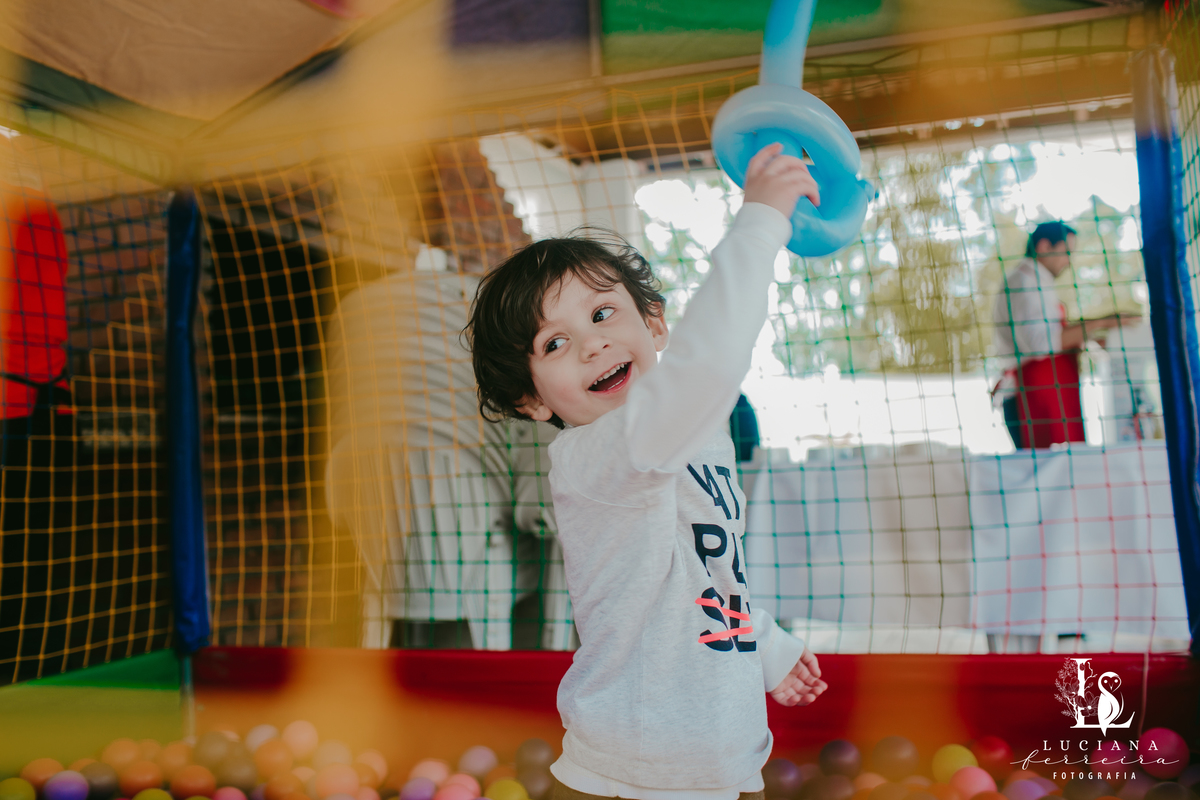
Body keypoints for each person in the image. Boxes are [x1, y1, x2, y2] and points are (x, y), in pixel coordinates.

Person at [467, 143, 826, 800]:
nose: (592, 343)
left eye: (603, 314)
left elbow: (699, 568)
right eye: (555, 343)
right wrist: (760, 222)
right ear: (532, 398)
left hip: (725, 759)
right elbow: (708, 365)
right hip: (633, 775)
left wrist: (766, 642)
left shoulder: (702, 438)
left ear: (653, 323)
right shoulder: (596, 458)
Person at [324, 262, 567, 651]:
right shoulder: (526, 407)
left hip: (382, 557)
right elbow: (538, 513)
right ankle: (552, 662)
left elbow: (335, 509)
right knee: (552, 523)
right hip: (484, 557)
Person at [992, 222, 1130, 449]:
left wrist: (1088, 338)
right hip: (1030, 399)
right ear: (1044, 246)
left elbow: (1052, 335)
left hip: (1045, 394)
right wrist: (1102, 321)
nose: (1068, 261)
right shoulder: (1024, 281)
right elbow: (1040, 343)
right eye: (1066, 252)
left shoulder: (1037, 281)